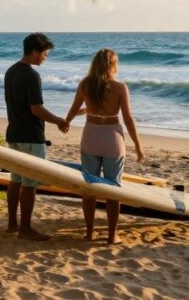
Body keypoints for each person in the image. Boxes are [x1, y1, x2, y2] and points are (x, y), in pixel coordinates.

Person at [64, 48, 145, 245]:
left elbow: (74, 108)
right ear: (113, 65)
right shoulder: (119, 87)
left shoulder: (85, 84)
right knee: (113, 190)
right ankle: (111, 235)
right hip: (112, 139)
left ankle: (90, 233)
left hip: (91, 135)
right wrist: (138, 145)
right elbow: (128, 118)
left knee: (89, 189)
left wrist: (67, 121)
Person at [4, 32, 68, 241]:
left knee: (15, 180)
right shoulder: (31, 75)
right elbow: (36, 109)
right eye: (44, 54)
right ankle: (25, 229)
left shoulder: (10, 71)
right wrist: (58, 120)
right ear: (34, 52)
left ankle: (12, 223)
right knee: (29, 184)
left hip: (13, 131)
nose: (45, 58)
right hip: (30, 135)